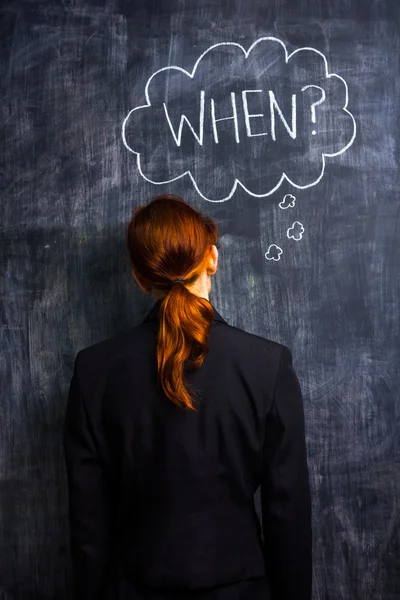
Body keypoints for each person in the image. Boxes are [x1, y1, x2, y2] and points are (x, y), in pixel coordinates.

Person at [63, 194, 312, 600]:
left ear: (139, 277)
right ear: (212, 258)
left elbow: (88, 524)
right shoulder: (268, 365)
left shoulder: (94, 371)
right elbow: (289, 514)